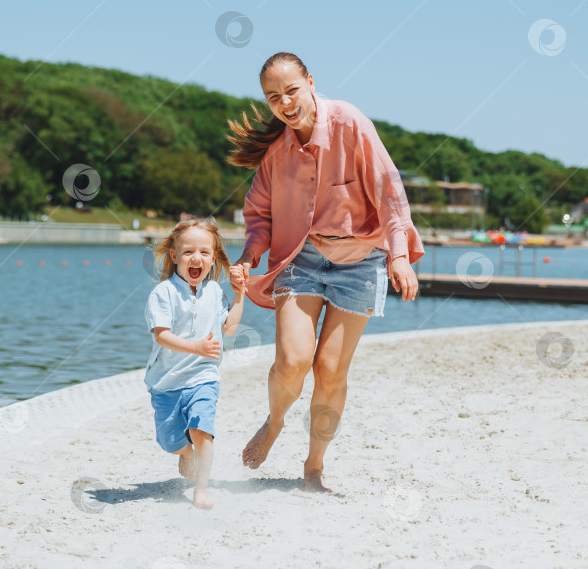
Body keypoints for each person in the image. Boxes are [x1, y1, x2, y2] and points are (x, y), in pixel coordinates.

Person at [226, 52, 424, 492]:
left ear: (311, 81)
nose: (285, 103)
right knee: (293, 361)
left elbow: (388, 190)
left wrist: (399, 254)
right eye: (273, 97)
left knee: (331, 370)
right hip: (302, 257)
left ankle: (314, 465)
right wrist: (250, 253)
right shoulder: (277, 150)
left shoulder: (350, 124)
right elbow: (259, 213)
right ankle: (275, 421)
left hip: (362, 260)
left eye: (292, 90)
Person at [144, 217, 245, 508]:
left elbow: (229, 328)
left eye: (204, 252)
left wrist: (240, 294)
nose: (196, 258)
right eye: (188, 252)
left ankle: (201, 489)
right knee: (169, 442)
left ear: (213, 257)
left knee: (202, 429)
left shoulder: (215, 292)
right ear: (175, 256)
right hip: (166, 382)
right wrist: (195, 346)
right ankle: (186, 453)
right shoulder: (163, 293)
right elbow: (162, 336)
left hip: (204, 378)